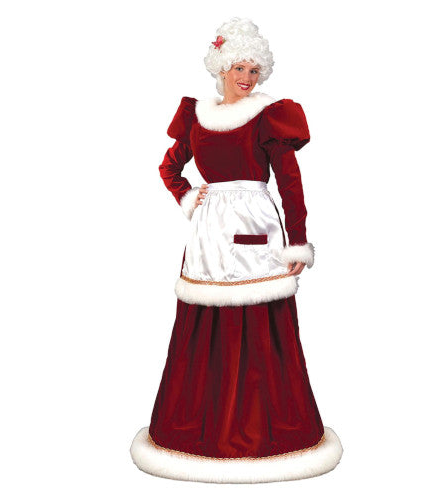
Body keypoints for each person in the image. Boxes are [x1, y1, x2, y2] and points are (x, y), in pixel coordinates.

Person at [130, 17, 343, 483]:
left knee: (262, 324)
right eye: (239, 68)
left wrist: (297, 240)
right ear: (221, 68)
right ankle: (201, 429)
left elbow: (290, 183)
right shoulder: (196, 117)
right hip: (209, 234)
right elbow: (169, 167)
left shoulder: (269, 115)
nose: (246, 77)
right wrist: (188, 195)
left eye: (254, 69)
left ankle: (267, 432)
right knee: (205, 321)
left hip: (256, 227)